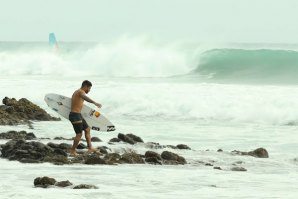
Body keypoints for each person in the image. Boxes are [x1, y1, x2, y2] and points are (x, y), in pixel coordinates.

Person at [69, 80, 102, 156]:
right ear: (86, 86)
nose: (89, 90)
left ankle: (90, 148)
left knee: (87, 129)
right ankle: (72, 151)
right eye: (89, 88)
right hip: (75, 115)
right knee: (79, 134)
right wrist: (95, 103)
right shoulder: (80, 92)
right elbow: (85, 97)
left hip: (78, 115)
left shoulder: (78, 92)